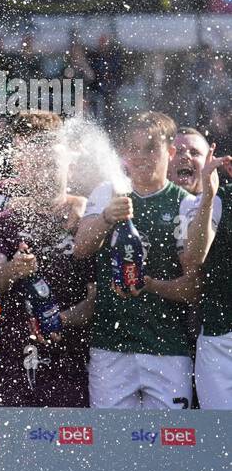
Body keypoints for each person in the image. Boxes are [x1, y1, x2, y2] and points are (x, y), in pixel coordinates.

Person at [73, 111, 201, 409]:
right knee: (111, 445)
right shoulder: (108, 192)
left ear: (170, 152)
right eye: (132, 148)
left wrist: (151, 285)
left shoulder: (185, 203)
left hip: (167, 348)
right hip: (110, 347)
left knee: (171, 446)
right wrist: (106, 217)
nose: (140, 157)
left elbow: (194, 287)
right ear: (122, 152)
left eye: (150, 148)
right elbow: (81, 248)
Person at [0, 111, 95, 406]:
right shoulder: (2, 220)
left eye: (52, 164)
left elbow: (99, 298)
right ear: (22, 167)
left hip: (73, 359)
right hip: (13, 357)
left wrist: (60, 320)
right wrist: (14, 269)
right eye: (35, 164)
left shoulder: (89, 220)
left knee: (72, 448)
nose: (44, 172)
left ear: (70, 164)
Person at [181, 144, 232, 408]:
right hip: (221, 339)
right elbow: (193, 259)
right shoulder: (217, 199)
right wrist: (209, 196)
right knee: (222, 440)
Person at [169, 126, 211, 195]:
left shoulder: (221, 203)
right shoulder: (147, 203)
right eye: (177, 152)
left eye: (194, 153)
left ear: (209, 162)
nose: (185, 156)